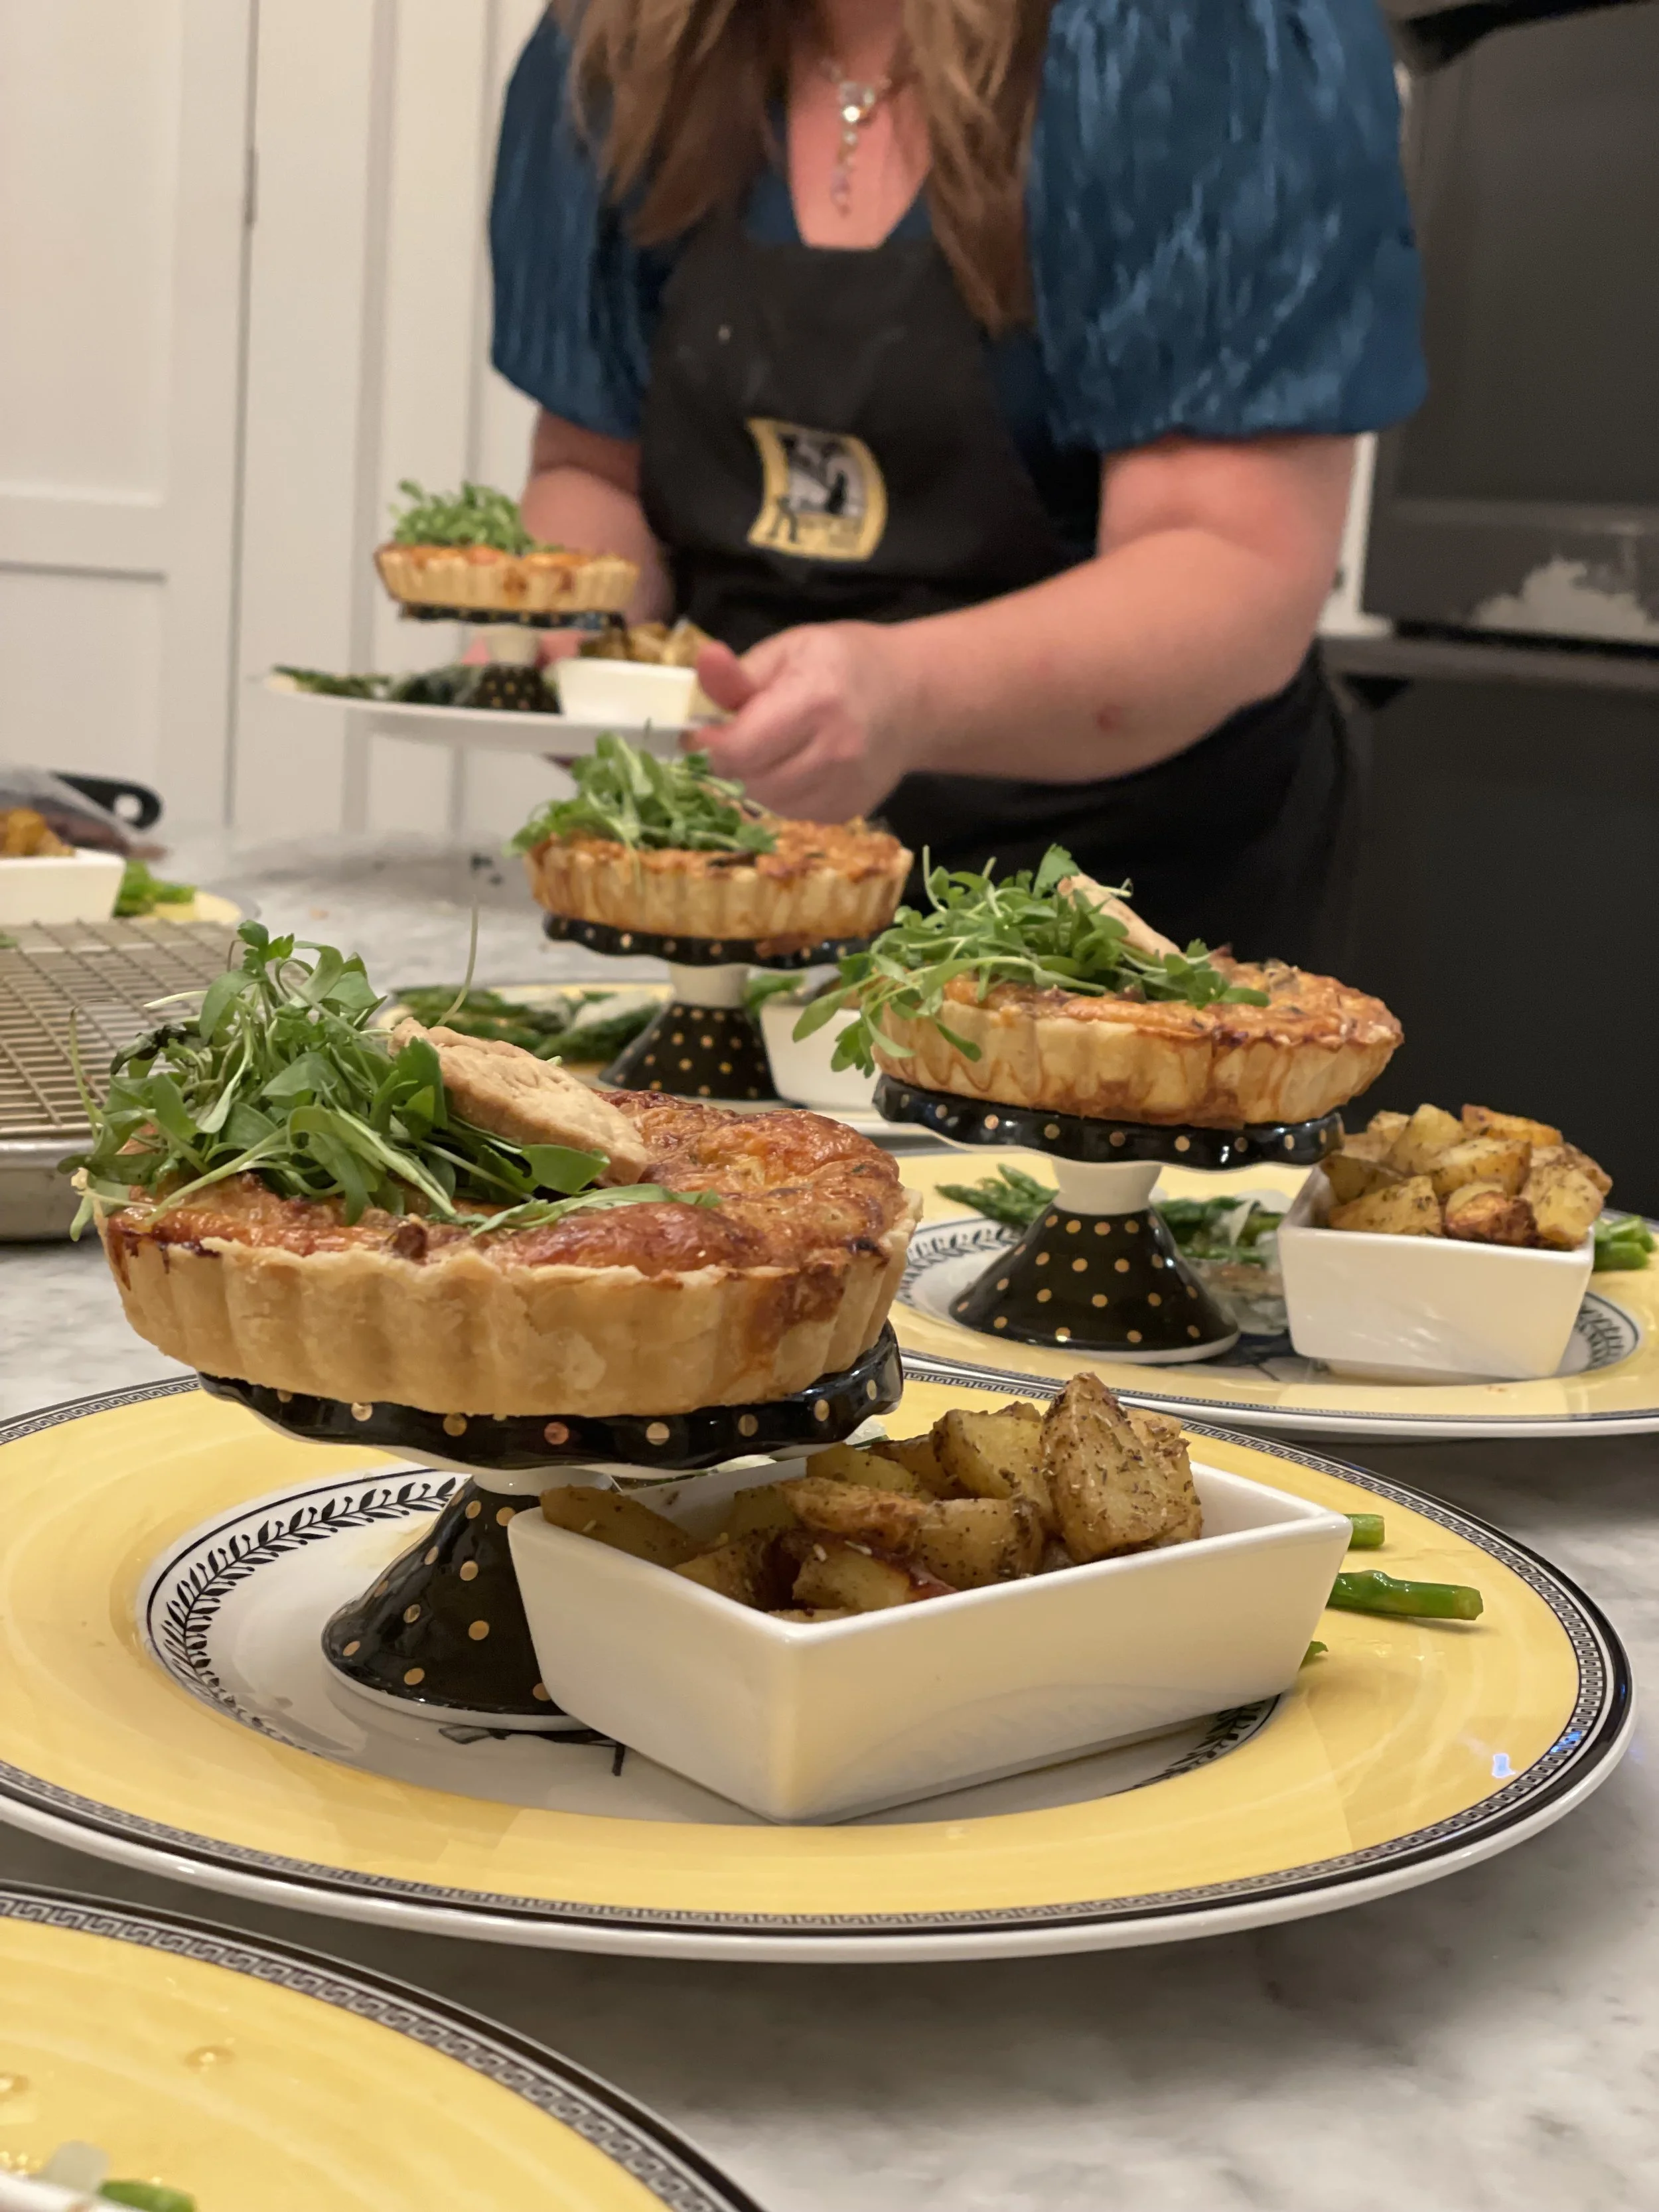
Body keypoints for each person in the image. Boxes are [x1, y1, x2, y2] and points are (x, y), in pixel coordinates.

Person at [490, 0, 1423, 964]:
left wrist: (899, 695)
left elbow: (1232, 560)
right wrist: (580, 630)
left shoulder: (1204, 38)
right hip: (732, 893)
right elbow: (589, 468)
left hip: (1117, 912)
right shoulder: (616, 44)